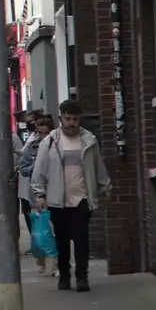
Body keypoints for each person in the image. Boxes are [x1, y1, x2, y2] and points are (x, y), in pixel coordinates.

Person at [31, 100, 110, 291]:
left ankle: (82, 277)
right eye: (67, 119)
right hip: (58, 201)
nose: (71, 123)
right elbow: (40, 170)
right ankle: (64, 276)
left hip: (82, 198)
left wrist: (104, 187)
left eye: (75, 119)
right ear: (60, 119)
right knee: (62, 241)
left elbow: (98, 167)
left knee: (82, 239)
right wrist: (40, 194)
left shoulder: (89, 140)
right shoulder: (50, 141)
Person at [19, 113, 54, 273]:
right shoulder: (32, 148)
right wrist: (35, 167)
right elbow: (24, 170)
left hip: (55, 194)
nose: (42, 136)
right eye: (40, 132)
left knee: (54, 232)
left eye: (46, 132)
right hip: (36, 196)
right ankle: (41, 259)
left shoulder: (57, 147)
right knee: (39, 233)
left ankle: (55, 264)